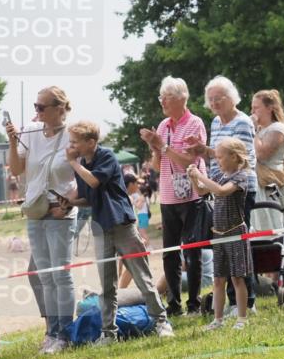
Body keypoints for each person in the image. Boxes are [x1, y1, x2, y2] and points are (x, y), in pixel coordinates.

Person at [63, 120, 173, 344]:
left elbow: (94, 182)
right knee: (107, 285)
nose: (71, 145)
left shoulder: (106, 157)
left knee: (143, 278)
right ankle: (108, 333)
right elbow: (88, 197)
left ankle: (162, 322)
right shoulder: (82, 163)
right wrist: (70, 202)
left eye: (75, 141)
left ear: (91, 142)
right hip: (101, 228)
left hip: (122, 224)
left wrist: (73, 163)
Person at [5, 86, 78, 354]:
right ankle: (52, 333)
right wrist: (13, 142)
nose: (36, 112)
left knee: (61, 274)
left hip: (61, 212)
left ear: (59, 109)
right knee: (45, 276)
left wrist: (69, 202)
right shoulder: (30, 132)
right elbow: (16, 169)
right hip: (36, 210)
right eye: (35, 106)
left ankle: (65, 334)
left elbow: (85, 173)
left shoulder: (74, 134)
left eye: (41, 107)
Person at [186, 76, 258, 312]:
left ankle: (246, 303)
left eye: (219, 98)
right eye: (211, 99)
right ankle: (231, 303)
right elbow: (220, 154)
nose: (215, 103)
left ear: (232, 98)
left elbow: (240, 158)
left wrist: (207, 178)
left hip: (237, 190)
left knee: (238, 248)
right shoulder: (216, 122)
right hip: (218, 185)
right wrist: (202, 151)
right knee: (224, 249)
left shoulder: (243, 122)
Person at [139, 76, 208, 316]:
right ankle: (174, 304)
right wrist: (155, 148)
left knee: (192, 250)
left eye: (165, 98)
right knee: (170, 253)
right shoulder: (162, 126)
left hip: (191, 195)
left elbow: (191, 160)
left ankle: (195, 304)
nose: (162, 102)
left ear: (180, 98)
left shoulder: (195, 123)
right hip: (168, 196)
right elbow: (158, 166)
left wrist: (165, 147)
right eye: (161, 98)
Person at [188, 138, 255, 330]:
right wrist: (194, 178)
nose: (217, 160)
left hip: (235, 233)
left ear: (234, 157)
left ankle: (242, 318)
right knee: (218, 279)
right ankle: (218, 319)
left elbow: (221, 191)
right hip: (219, 234)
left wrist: (200, 174)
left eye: (220, 157)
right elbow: (202, 192)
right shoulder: (219, 175)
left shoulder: (241, 176)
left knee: (237, 278)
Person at [250, 89, 284, 233]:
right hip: (256, 184)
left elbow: (261, 154)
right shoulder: (260, 129)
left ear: (269, 108)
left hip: (270, 184)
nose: (253, 112)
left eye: (256, 108)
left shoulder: (278, 129)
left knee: (272, 226)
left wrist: (254, 130)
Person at [126, 174, 150, 245]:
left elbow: (139, 207)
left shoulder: (142, 197)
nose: (137, 189)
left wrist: (133, 202)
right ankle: (147, 246)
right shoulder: (140, 197)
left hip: (143, 216)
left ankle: (148, 246)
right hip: (141, 216)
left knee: (143, 233)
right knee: (141, 233)